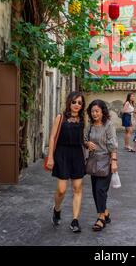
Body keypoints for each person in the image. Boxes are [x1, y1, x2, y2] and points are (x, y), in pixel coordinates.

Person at [47, 91, 86, 233]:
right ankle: (57, 210)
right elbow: (52, 138)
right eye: (74, 102)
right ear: (69, 102)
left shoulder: (82, 120)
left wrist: (87, 144)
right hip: (62, 154)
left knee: (77, 188)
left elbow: (81, 139)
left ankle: (75, 221)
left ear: (82, 106)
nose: (76, 105)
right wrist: (50, 157)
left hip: (77, 155)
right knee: (62, 190)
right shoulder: (61, 117)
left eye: (80, 103)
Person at [84, 99, 118, 231]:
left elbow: (113, 144)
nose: (94, 114)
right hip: (93, 161)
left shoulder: (108, 125)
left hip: (106, 161)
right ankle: (106, 213)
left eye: (97, 111)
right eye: (92, 111)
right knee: (95, 190)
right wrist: (87, 144)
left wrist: (114, 161)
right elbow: (84, 138)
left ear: (102, 112)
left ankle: (101, 218)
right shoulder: (90, 125)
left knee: (100, 190)